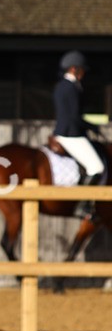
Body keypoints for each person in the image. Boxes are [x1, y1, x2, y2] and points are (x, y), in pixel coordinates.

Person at [53, 50, 105, 215]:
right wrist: (91, 126)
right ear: (74, 69)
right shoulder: (72, 88)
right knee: (96, 167)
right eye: (81, 70)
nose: (83, 74)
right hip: (71, 135)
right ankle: (82, 205)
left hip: (63, 131)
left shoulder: (61, 86)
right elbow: (74, 117)